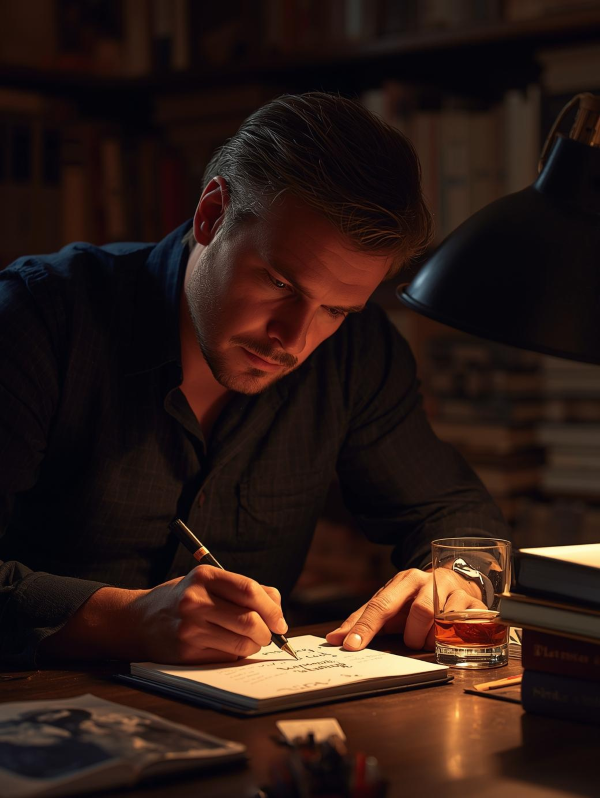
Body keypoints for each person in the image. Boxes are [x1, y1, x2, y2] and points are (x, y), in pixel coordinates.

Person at [0, 92, 507, 668]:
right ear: (212, 213)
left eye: (336, 310)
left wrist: (454, 579)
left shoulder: (357, 354)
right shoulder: (37, 320)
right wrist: (125, 620)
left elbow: (453, 512)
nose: (293, 339)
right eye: (281, 284)